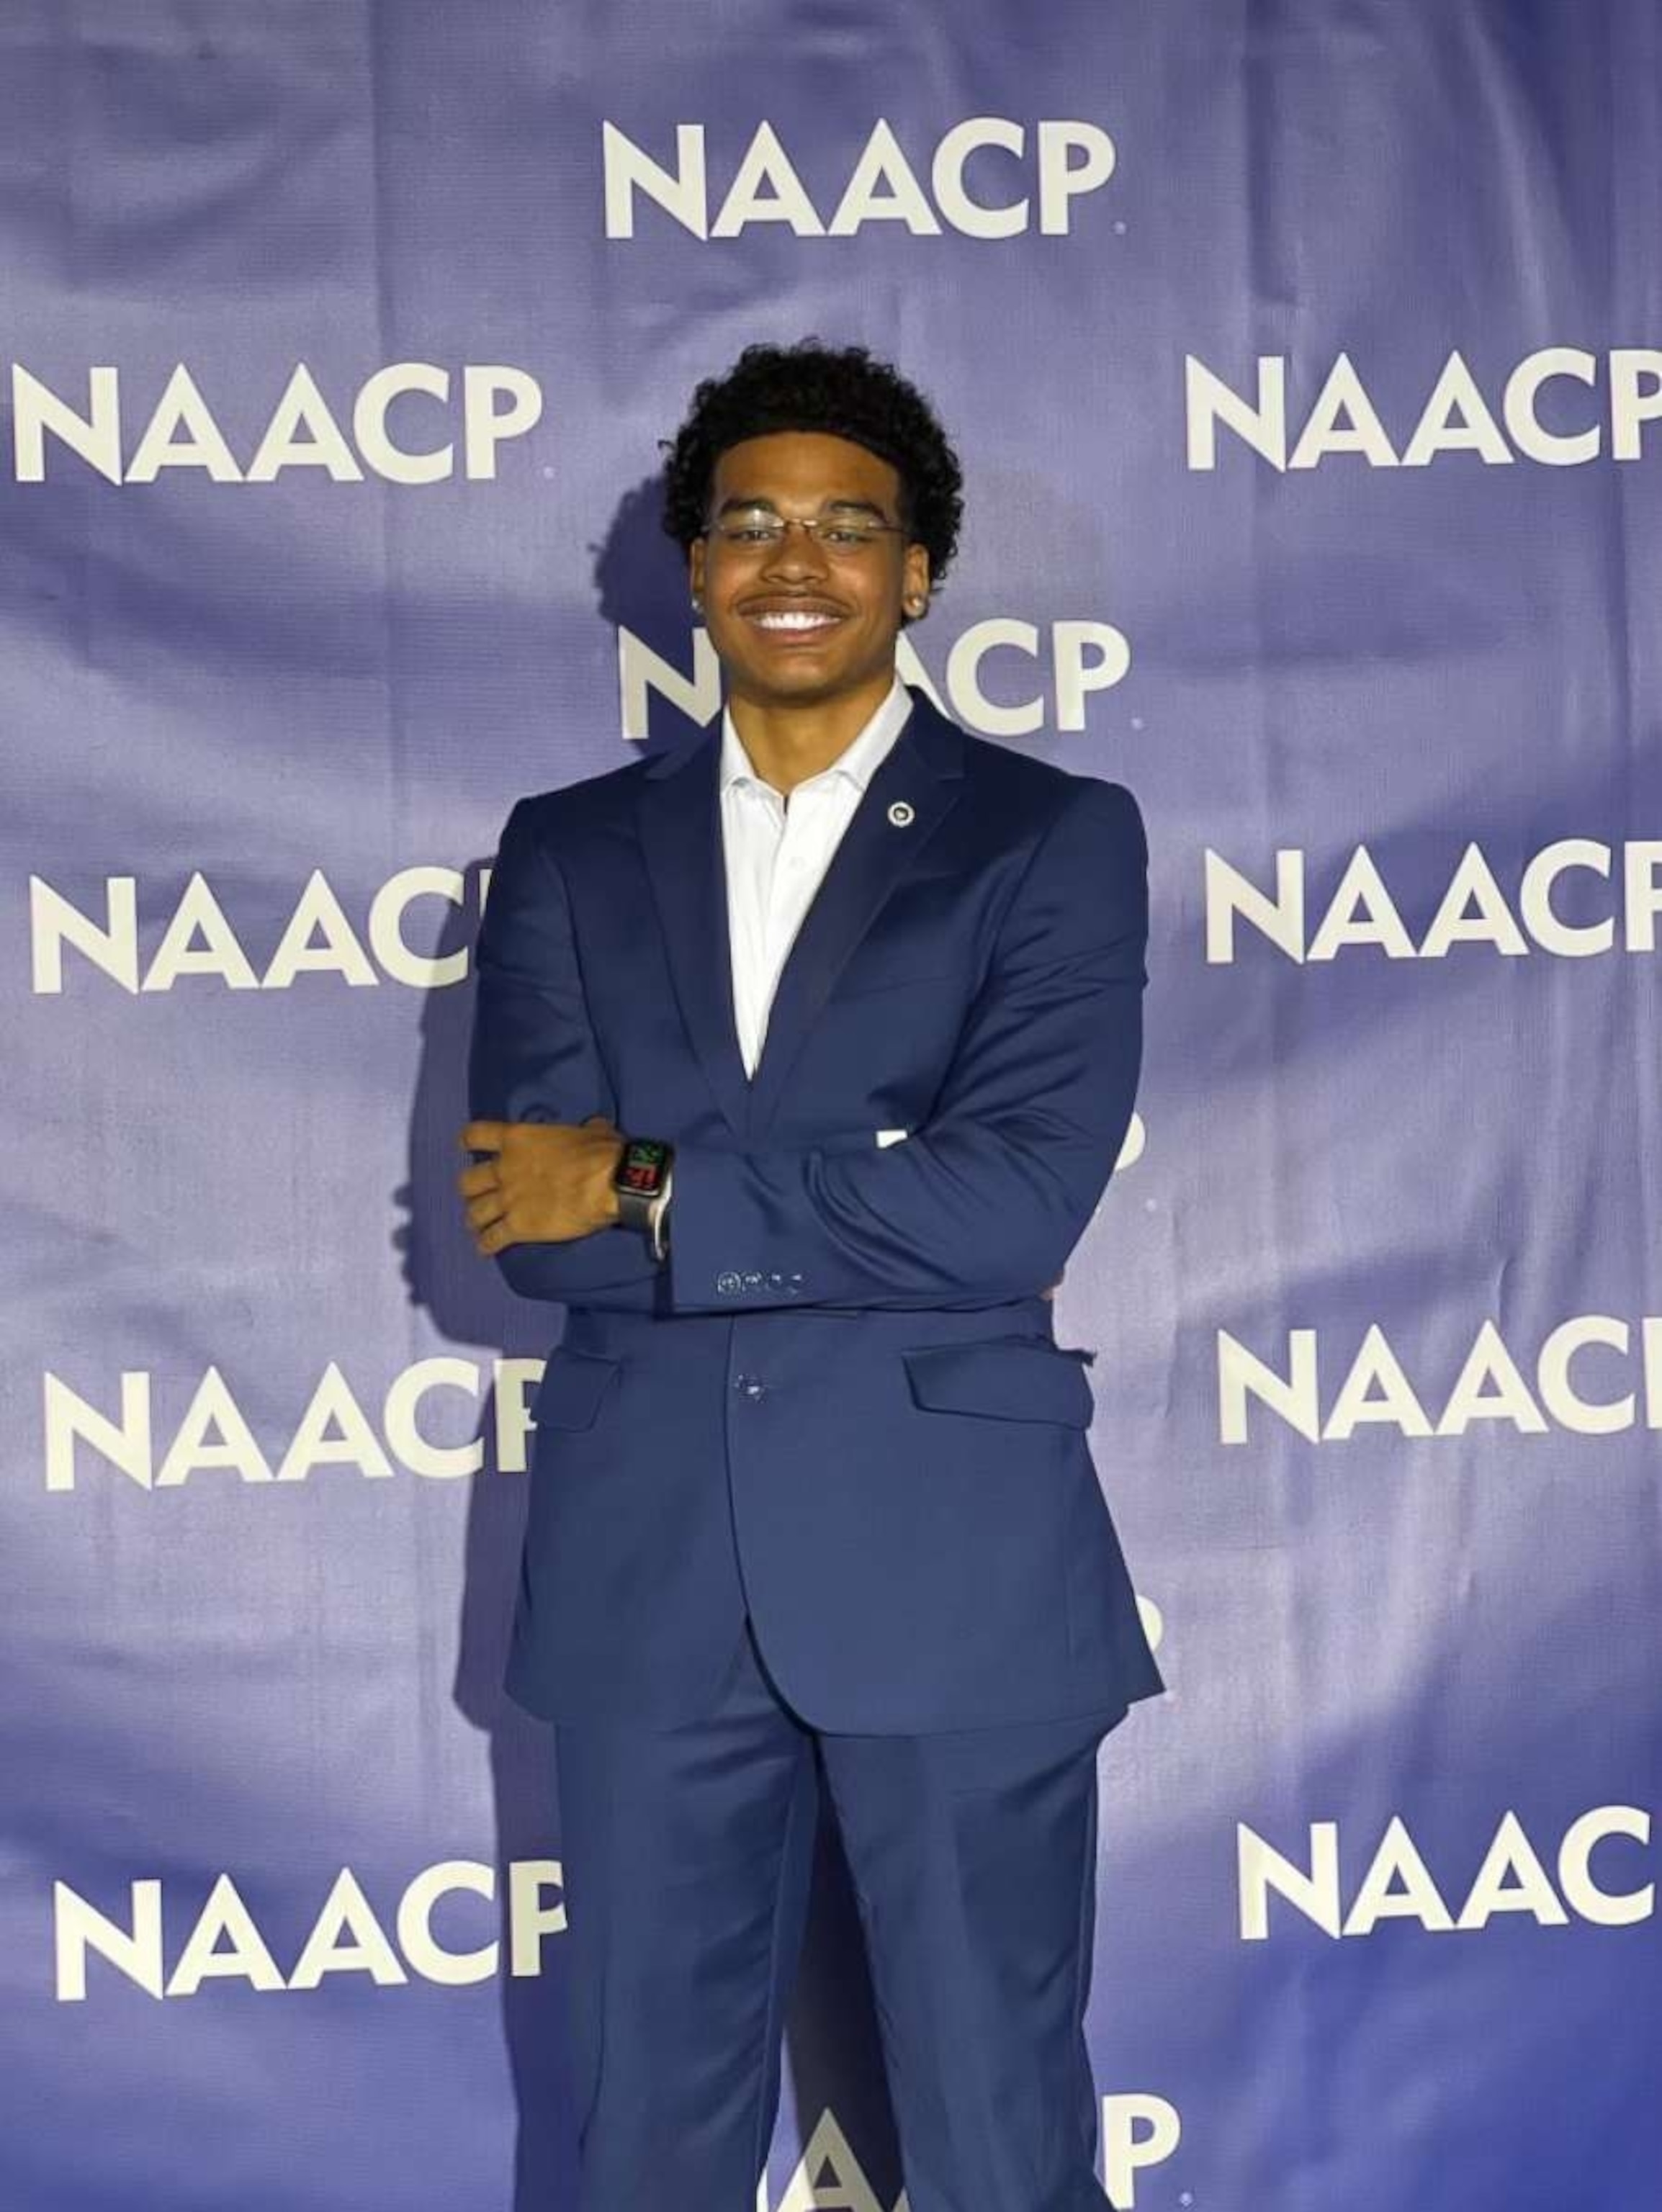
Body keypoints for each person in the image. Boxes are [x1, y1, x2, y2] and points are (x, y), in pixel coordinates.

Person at [459, 339, 1162, 2211]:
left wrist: (663, 1183)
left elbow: (1013, 1208)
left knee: (999, 2139)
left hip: (954, 1564)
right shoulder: (566, 853)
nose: (796, 558)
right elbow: (535, 1225)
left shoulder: (1046, 838)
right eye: (749, 520)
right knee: (641, 2146)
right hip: (648, 1566)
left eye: (848, 524)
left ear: (917, 569)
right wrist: (830, 1198)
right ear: (693, 563)